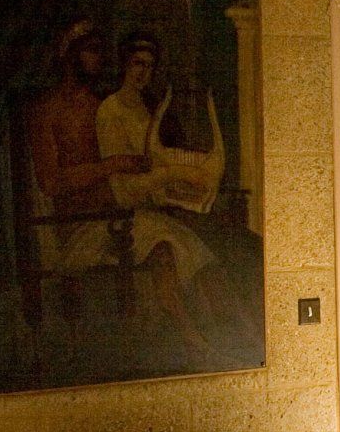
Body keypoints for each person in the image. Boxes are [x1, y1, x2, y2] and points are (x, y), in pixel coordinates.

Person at [26, 27, 214, 354]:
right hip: (78, 227)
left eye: (100, 51)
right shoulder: (48, 110)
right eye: (91, 50)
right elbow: (51, 183)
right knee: (164, 242)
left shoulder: (104, 107)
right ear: (70, 55)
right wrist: (112, 165)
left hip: (116, 215)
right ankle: (191, 337)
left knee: (180, 240)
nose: (99, 59)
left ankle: (204, 333)